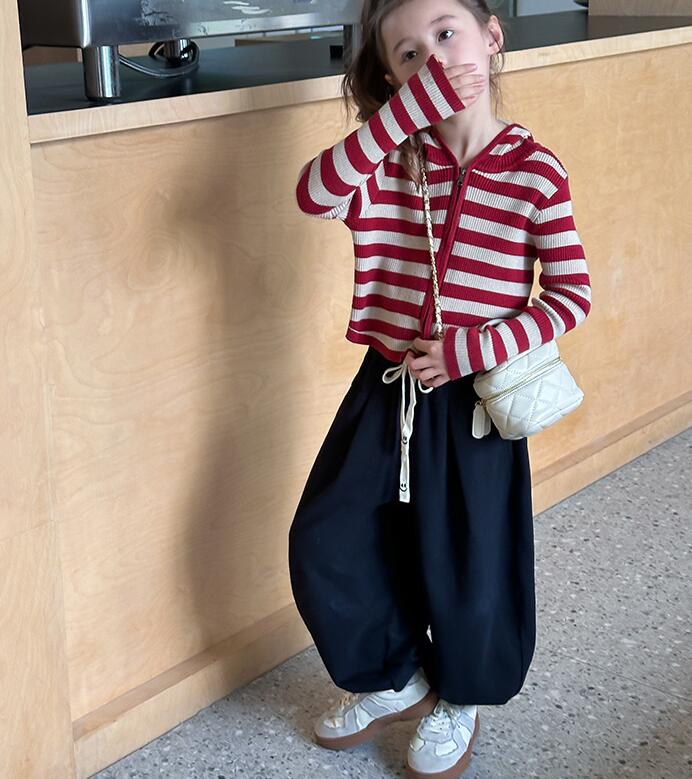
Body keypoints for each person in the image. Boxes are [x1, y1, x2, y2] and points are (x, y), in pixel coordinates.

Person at [288, 1, 592, 777]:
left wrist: (469, 349)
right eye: (408, 54)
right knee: (328, 535)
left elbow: (570, 297)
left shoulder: (535, 170)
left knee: (469, 558)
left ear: (491, 37)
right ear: (393, 78)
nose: (433, 57)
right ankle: (394, 675)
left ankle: (462, 693)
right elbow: (314, 193)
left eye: (446, 33)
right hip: (386, 387)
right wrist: (400, 119)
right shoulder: (389, 159)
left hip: (474, 401)